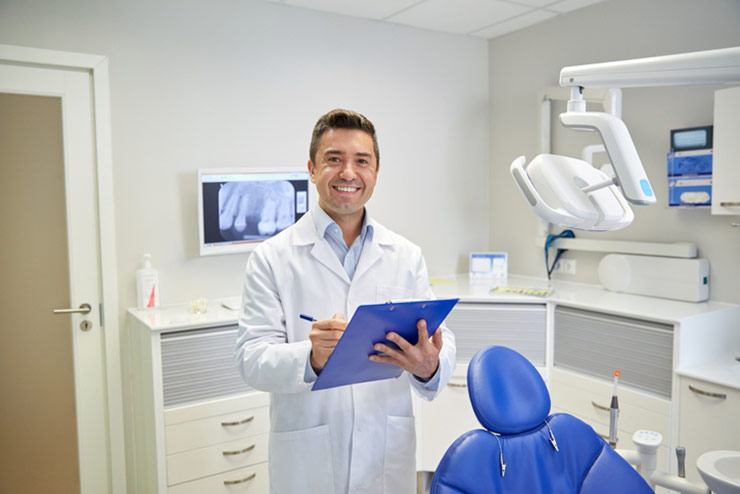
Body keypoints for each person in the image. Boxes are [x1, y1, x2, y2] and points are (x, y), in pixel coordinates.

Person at [234, 108, 456, 494]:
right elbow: (251, 359)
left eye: (361, 161)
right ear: (312, 168)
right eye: (334, 159)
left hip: (386, 454)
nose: (348, 173)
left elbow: (438, 337)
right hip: (309, 458)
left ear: (376, 172)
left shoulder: (405, 254)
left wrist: (430, 365)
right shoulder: (273, 257)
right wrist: (311, 358)